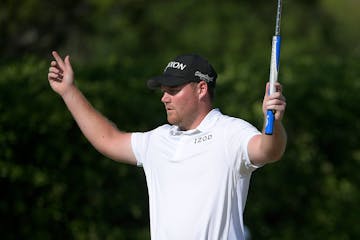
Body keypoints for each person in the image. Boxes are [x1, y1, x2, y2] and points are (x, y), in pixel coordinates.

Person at [48, 51, 287, 240]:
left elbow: (269, 150)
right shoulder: (158, 140)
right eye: (164, 91)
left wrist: (273, 122)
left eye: (173, 90)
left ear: (201, 89)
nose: (164, 98)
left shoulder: (230, 132)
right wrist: (69, 92)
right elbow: (108, 139)